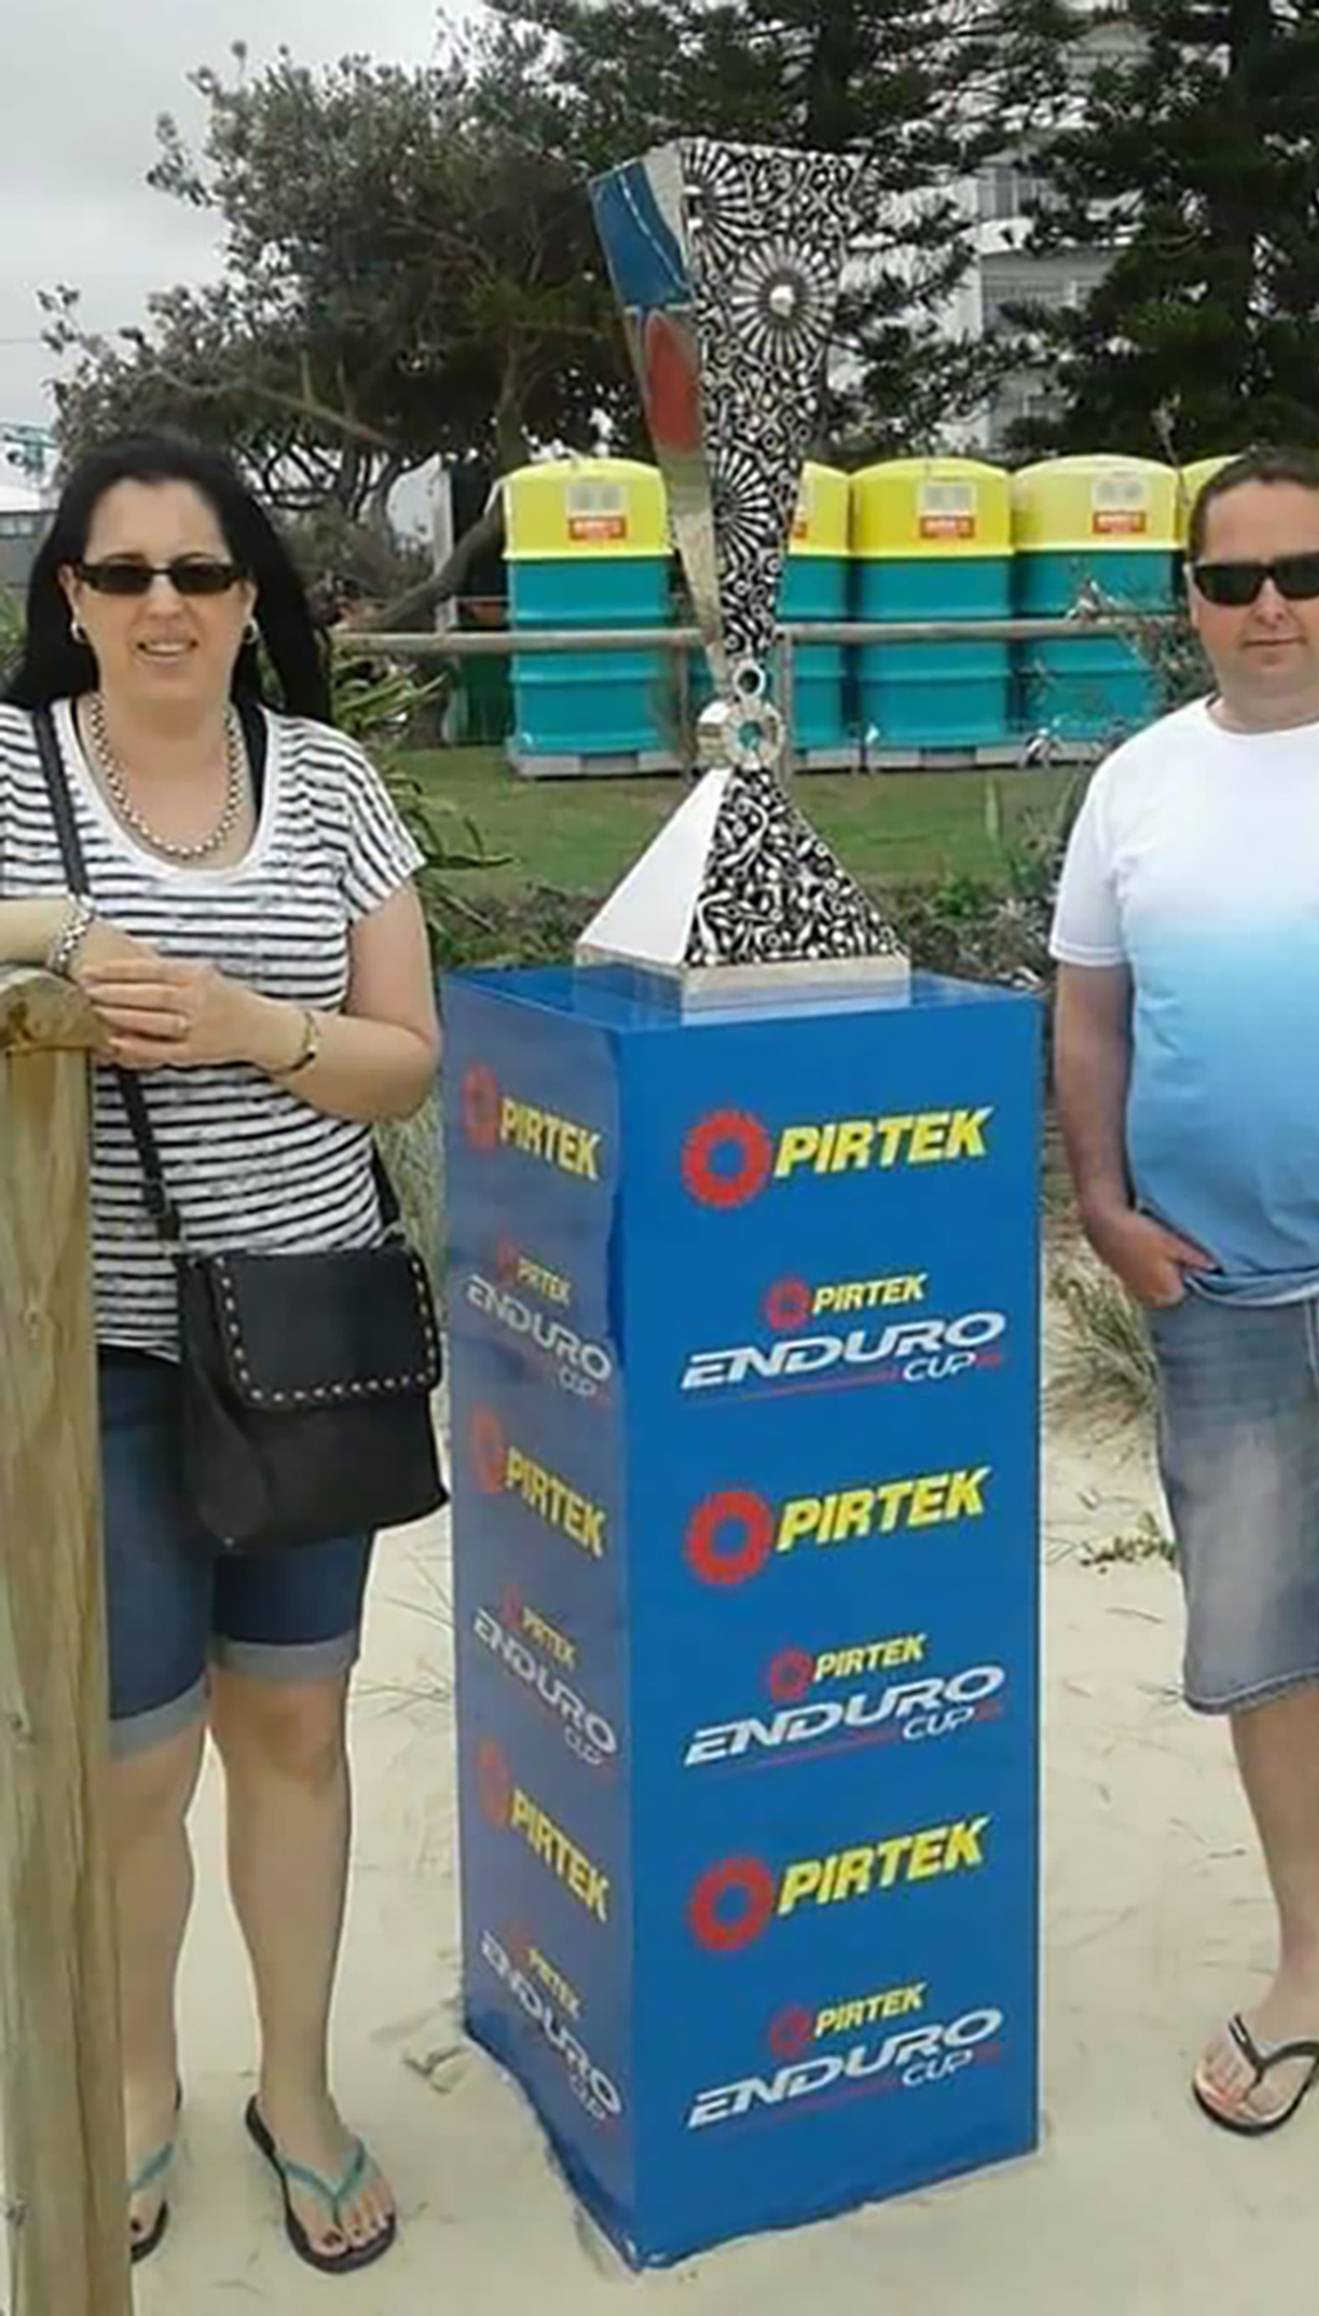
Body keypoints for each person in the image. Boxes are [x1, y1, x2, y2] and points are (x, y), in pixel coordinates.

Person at [0, 434, 440, 2270]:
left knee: (294, 1727)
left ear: (252, 601)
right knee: (123, 1765)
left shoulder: (325, 780)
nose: (162, 607)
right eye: (123, 576)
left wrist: (257, 1026)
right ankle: (128, 2089)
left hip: (304, 1330)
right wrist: (57, 941)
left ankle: (298, 2084)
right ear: (71, 604)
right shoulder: (15, 779)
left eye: (199, 575)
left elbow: (405, 1054)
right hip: (90, 1352)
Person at [1050, 444, 1319, 2138]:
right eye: (1229, 583)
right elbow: (1088, 1012)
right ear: (1189, 602)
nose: (1266, 609)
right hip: (1219, 1302)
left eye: (1299, 573)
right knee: (1275, 1654)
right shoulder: (1137, 782)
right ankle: (1313, 1972)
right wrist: (1106, 1209)